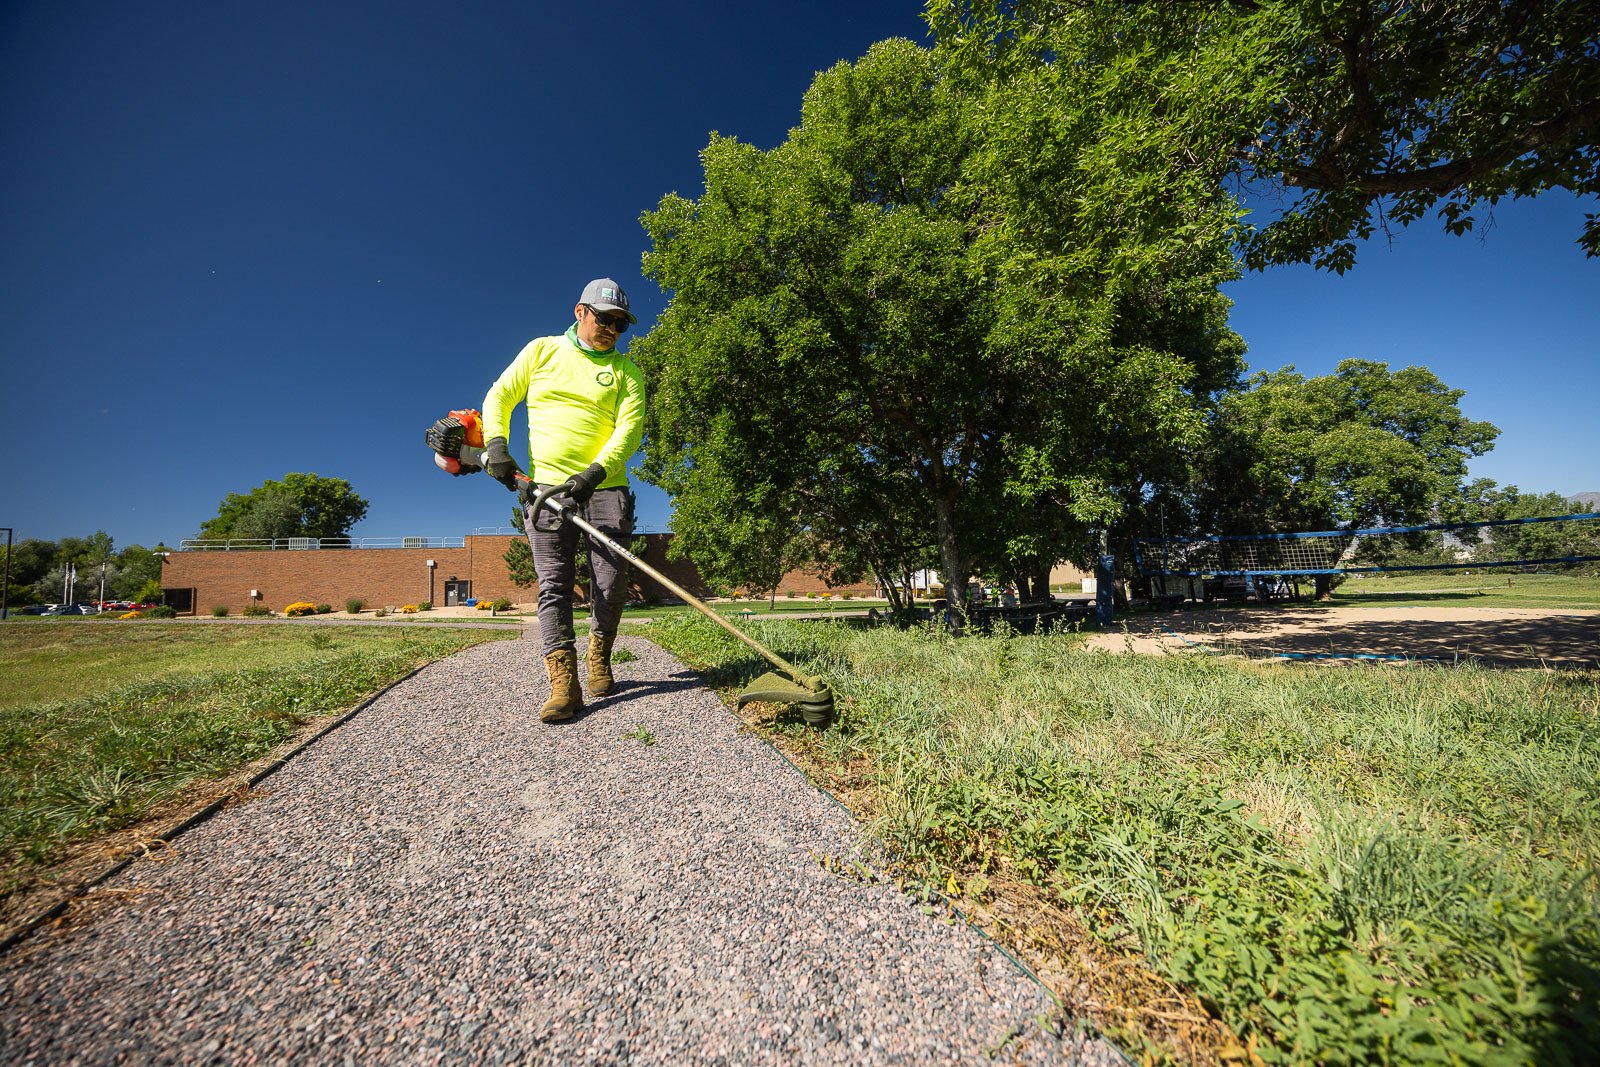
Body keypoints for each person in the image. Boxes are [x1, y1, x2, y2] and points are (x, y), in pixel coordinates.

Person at [481, 278, 646, 722]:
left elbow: (628, 430)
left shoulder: (627, 373)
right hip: (546, 491)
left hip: (605, 488)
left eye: (620, 324)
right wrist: (496, 444)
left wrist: (593, 474)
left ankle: (599, 654)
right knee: (553, 585)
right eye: (604, 318)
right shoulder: (541, 351)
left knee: (610, 584)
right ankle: (563, 683)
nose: (612, 328)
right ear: (580, 312)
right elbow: (501, 395)